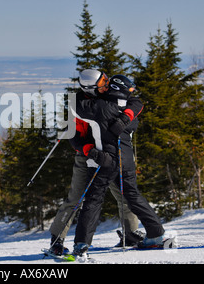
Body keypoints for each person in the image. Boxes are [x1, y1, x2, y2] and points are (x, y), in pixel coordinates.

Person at [48, 70, 144, 256]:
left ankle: (130, 233)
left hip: (111, 154)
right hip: (87, 157)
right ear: (91, 88)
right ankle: (57, 240)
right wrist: (90, 151)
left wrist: (126, 118)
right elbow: (74, 137)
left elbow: (134, 101)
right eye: (102, 82)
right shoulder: (78, 104)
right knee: (75, 199)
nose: (106, 84)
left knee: (124, 193)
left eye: (106, 80)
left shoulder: (108, 94)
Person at [71, 71, 166, 257]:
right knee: (133, 196)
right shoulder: (129, 112)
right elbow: (136, 102)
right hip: (127, 160)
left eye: (107, 83)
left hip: (105, 160)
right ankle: (156, 234)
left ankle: (81, 244)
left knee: (93, 200)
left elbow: (76, 106)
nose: (105, 86)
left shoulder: (98, 107)